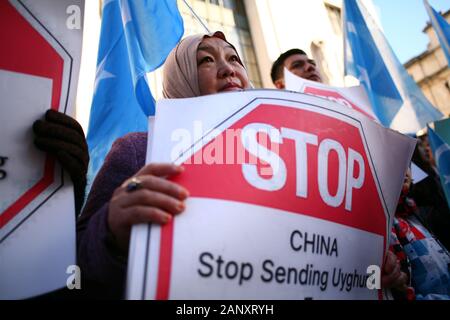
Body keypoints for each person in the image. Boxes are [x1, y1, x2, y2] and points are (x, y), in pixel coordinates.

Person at [77, 32, 406, 299]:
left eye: (234, 58)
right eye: (207, 60)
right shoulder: (139, 150)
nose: (228, 69)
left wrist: (367, 262)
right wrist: (110, 229)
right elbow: (76, 266)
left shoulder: (288, 155)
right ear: (180, 78)